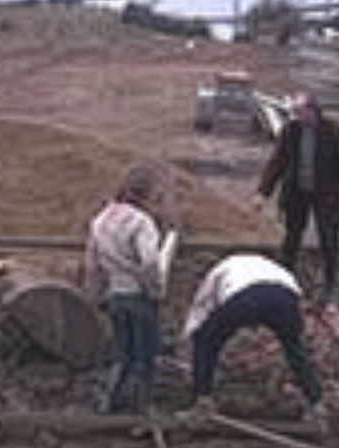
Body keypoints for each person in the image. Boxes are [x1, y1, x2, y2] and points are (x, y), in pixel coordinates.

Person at [180, 254, 325, 424]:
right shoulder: (270, 267)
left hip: (245, 295)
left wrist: (188, 339)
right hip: (285, 297)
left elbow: (200, 308)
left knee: (206, 340)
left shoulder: (216, 272)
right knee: (294, 349)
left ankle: (203, 399)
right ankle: (316, 402)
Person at [82, 163, 177, 415]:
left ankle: (111, 404)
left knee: (121, 354)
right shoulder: (141, 223)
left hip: (116, 295)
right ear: (145, 195)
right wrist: (156, 290)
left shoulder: (100, 220)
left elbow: (92, 264)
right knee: (144, 355)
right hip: (139, 295)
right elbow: (149, 262)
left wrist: (94, 294)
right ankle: (141, 407)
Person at [257, 92, 339, 301]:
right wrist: (263, 192)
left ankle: (330, 285)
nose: (296, 117)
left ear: (313, 111)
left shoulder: (333, 131)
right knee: (291, 237)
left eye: (300, 112)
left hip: (326, 194)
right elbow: (277, 162)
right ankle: (284, 278)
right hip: (297, 192)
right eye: (294, 112)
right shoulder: (290, 131)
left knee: (329, 240)